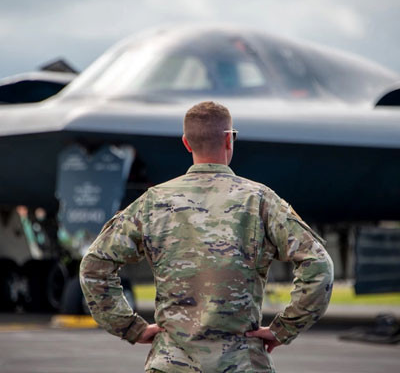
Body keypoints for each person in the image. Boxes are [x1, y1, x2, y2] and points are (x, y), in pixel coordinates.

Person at [80, 101, 334, 373]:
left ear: (186, 144)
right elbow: (319, 267)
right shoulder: (260, 201)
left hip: (171, 363)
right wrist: (283, 329)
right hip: (241, 362)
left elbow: (94, 267)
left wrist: (130, 327)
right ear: (229, 139)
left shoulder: (153, 202)